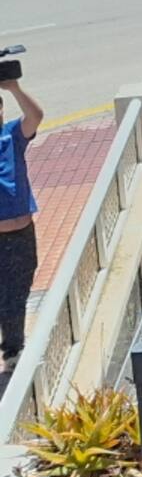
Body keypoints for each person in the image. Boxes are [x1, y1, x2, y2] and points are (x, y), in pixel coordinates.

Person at [0, 78, 42, 373]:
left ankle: (13, 349)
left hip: (22, 233)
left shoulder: (12, 135)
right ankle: (13, 347)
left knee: (18, 290)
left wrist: (13, 87)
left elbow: (35, 116)